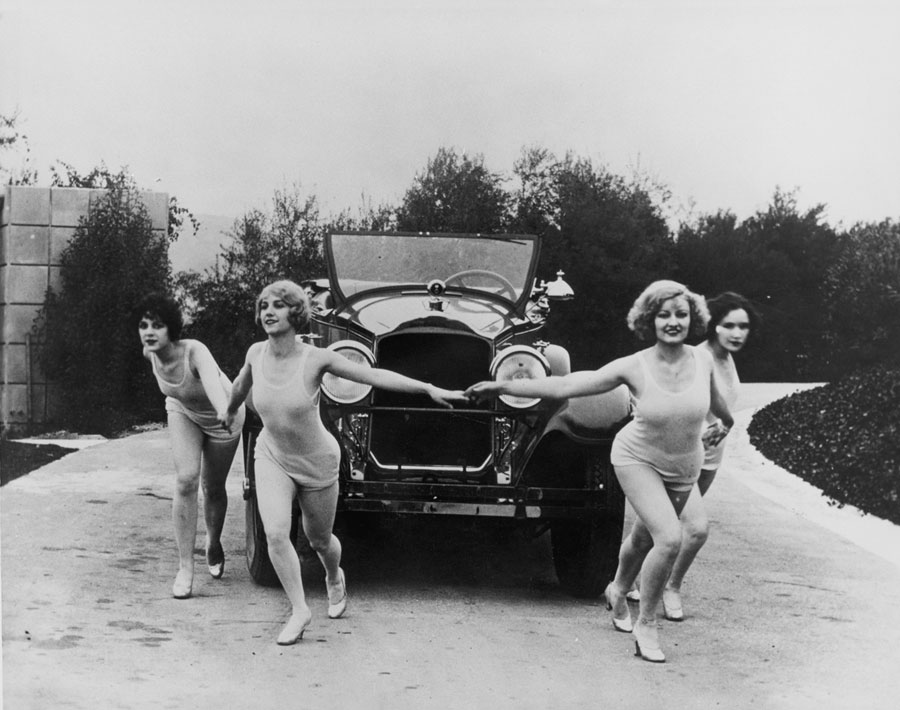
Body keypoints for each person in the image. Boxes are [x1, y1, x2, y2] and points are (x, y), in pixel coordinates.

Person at [465, 280, 734, 663]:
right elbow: (567, 383)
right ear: (649, 320)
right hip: (637, 458)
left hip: (682, 464)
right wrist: (500, 385)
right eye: (663, 315)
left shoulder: (703, 360)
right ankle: (647, 626)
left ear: (693, 318)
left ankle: (618, 588)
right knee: (670, 539)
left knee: (644, 540)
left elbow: (718, 403)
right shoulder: (634, 365)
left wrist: (724, 423)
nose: (673, 322)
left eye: (681, 314)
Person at [219, 280, 468, 645]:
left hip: (318, 461)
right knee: (275, 533)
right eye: (264, 306)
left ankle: (334, 575)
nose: (268, 312)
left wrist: (428, 389)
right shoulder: (256, 353)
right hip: (272, 455)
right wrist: (228, 411)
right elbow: (241, 386)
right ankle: (300, 610)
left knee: (319, 540)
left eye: (279, 305)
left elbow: (374, 376)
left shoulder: (316, 359)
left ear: (296, 313)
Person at [656, 292, 760, 621]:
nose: (737, 333)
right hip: (680, 456)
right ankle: (669, 587)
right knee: (694, 529)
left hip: (711, 459)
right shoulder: (695, 359)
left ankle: (624, 582)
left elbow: (722, 409)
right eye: (728, 325)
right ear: (713, 326)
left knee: (653, 527)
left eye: (743, 326)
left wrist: (721, 428)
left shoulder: (728, 359)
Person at [136, 293, 245, 600]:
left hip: (224, 417)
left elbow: (212, 382)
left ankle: (213, 541)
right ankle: (185, 568)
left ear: (172, 328)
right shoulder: (150, 354)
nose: (149, 332)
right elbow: (177, 391)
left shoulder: (195, 351)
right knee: (185, 480)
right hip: (183, 410)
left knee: (213, 488)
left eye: (157, 325)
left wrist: (224, 410)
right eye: (144, 325)